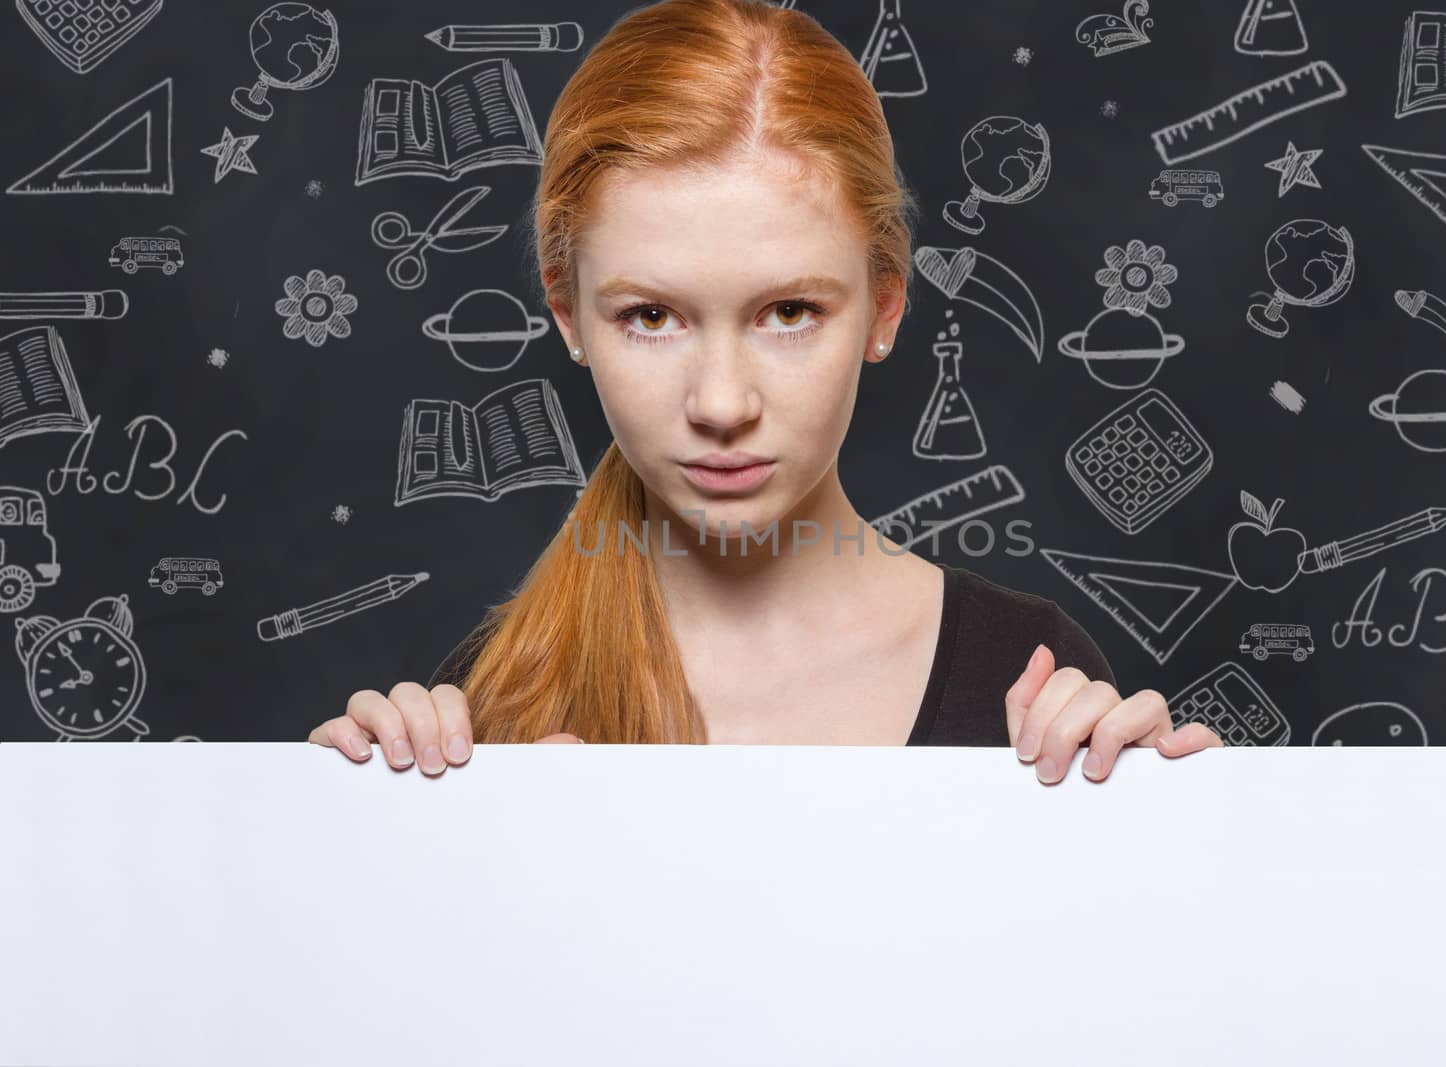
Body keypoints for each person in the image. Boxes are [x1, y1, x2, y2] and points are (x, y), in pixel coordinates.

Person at [307, 0, 1222, 782]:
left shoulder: (1036, 688)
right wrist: (352, 841)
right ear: (569, 318)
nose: (720, 402)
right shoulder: (484, 715)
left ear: (885, 306)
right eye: (651, 317)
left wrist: (1166, 837)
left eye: (788, 311)